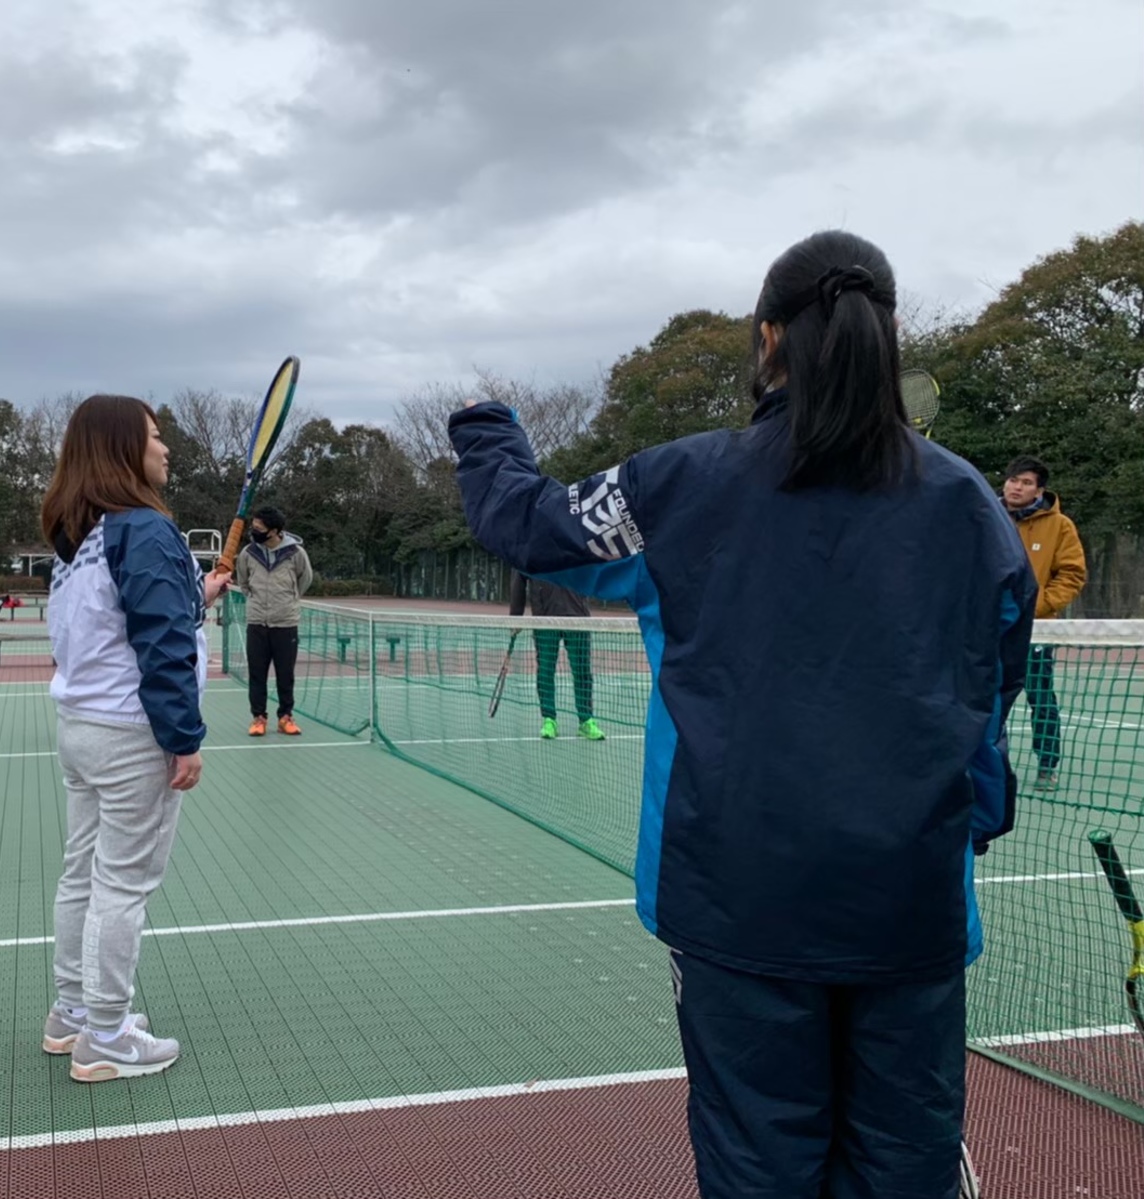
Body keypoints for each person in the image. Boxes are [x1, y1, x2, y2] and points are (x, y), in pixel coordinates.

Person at [448, 231, 1036, 1198]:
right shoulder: (971, 504)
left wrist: (485, 427)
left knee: (758, 1162)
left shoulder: (682, 485)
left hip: (734, 897)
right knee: (907, 1162)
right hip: (911, 901)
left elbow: (529, 524)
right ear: (886, 338)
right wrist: (970, 820)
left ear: (769, 339)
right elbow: (991, 698)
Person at [38, 394, 229, 1082]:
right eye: (154, 436)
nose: (165, 448)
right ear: (124, 448)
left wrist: (196, 592)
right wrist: (185, 737)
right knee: (122, 885)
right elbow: (162, 642)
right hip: (130, 736)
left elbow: (125, 619)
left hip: (82, 729)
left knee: (82, 874)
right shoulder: (145, 529)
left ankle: (74, 1014)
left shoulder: (80, 536)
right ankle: (109, 1035)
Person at [1001, 455, 1087, 791]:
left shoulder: (1060, 526)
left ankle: (1047, 763)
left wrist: (1038, 606)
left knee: (1040, 697)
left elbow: (1072, 574)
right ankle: (985, 761)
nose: (1016, 487)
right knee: (986, 696)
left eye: (1025, 483)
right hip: (990, 628)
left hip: (1036, 631)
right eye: (1013, 480)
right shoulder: (986, 515)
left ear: (1039, 491)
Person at [235, 506, 313, 736]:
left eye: (259, 528)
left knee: (285, 674)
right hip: (257, 622)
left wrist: (288, 600)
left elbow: (304, 579)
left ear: (275, 531)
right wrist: (257, 602)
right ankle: (258, 718)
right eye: (254, 527)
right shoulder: (248, 553)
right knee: (257, 673)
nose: (254, 531)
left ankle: (286, 717)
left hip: (286, 623)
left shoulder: (296, 553)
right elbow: (243, 582)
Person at [509, 573, 606, 741]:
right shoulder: (530, 548)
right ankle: (549, 719)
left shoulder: (578, 545)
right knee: (546, 670)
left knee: (582, 671)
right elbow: (519, 578)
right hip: (544, 619)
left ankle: (586, 720)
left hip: (578, 617)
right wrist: (515, 616)